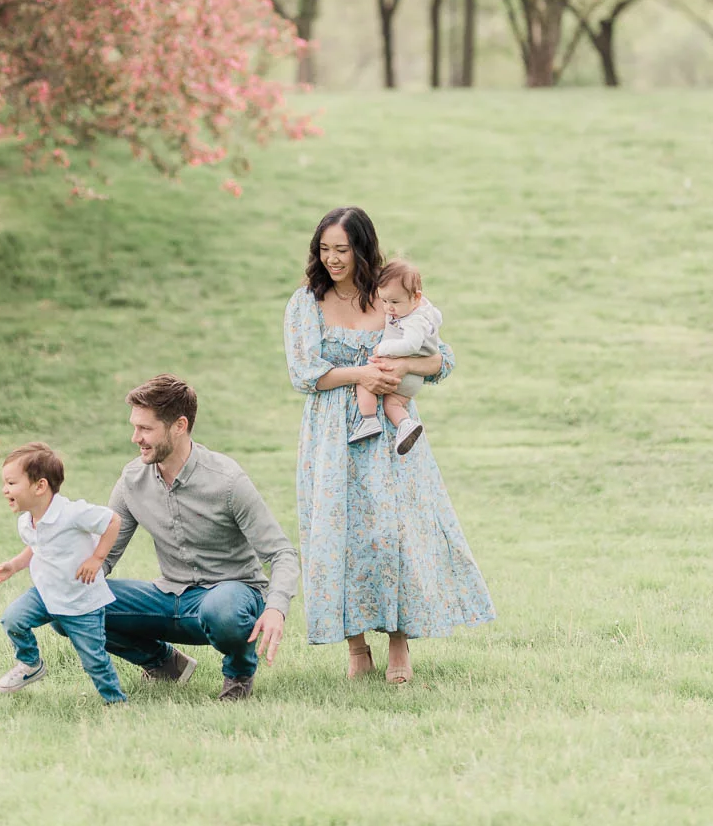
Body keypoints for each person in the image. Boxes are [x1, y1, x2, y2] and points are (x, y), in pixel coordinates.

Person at [285, 206, 495, 684]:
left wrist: (400, 370)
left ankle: (400, 642)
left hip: (392, 431)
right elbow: (303, 373)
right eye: (325, 249)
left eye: (342, 249)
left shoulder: (393, 294)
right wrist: (361, 373)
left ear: (363, 248)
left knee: (394, 533)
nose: (333, 259)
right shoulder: (306, 303)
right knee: (342, 537)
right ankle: (356, 647)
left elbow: (441, 360)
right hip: (333, 436)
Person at [102, 373, 299, 702]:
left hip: (230, 596)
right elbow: (103, 556)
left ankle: (238, 673)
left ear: (179, 425)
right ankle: (165, 664)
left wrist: (276, 609)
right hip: (169, 596)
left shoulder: (227, 481)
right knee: (76, 603)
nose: (135, 438)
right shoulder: (131, 480)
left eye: (145, 428)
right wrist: (66, 589)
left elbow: (282, 553)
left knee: (222, 610)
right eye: (134, 427)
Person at [0, 442, 127, 704]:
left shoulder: (72, 513)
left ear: (40, 486)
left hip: (81, 603)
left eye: (11, 483)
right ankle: (30, 664)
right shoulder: (26, 521)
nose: (5, 489)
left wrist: (97, 558)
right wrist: (13, 565)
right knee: (12, 619)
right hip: (46, 594)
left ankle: (116, 702)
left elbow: (112, 521)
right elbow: (37, 547)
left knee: (94, 660)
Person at [348, 256, 442, 457]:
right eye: (384, 301)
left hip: (402, 374)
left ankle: (369, 420)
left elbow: (411, 345)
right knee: (392, 404)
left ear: (416, 298)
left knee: (364, 380)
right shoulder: (424, 311)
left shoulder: (413, 320)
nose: (389, 308)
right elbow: (438, 318)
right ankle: (405, 424)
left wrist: (384, 348)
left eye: (394, 302)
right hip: (412, 379)